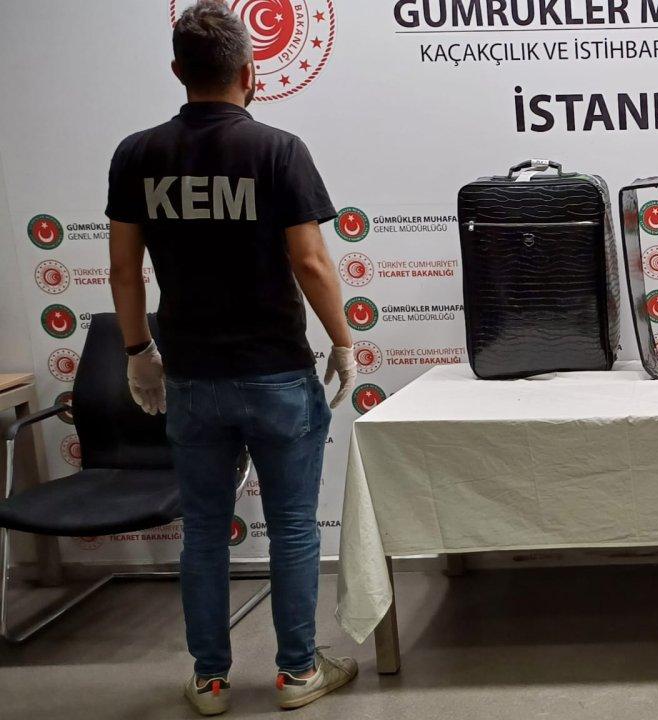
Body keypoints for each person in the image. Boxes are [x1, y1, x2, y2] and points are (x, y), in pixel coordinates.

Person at [105, 1, 359, 714]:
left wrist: (138, 352)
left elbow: (124, 271)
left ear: (178, 71)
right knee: (295, 529)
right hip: (277, 372)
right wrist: (343, 341)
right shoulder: (278, 149)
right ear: (251, 73)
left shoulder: (137, 154)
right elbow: (311, 262)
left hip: (192, 377)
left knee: (206, 534)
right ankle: (298, 673)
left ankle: (211, 679)